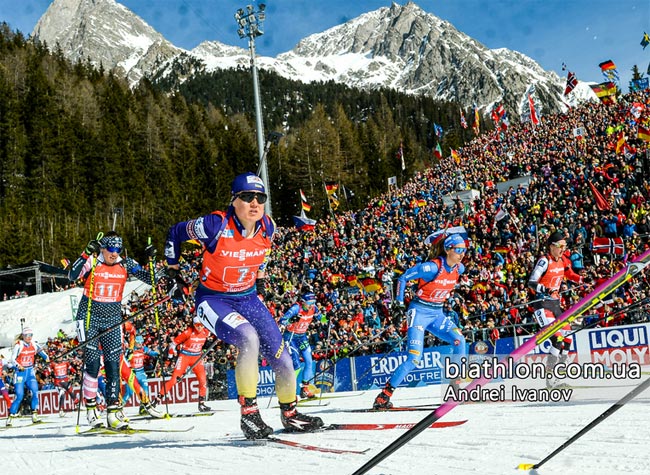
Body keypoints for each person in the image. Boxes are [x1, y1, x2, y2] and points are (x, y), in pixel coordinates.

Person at [164, 172, 323, 438]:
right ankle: (249, 415)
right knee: (248, 338)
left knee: (281, 354)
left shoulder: (268, 227)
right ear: (234, 200)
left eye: (260, 197)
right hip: (213, 299)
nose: (254, 203)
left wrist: (259, 279)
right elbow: (176, 232)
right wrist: (173, 269)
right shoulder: (214, 225)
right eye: (247, 197)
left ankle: (290, 414)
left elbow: (263, 255)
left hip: (247, 297)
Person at [68, 231, 157, 429]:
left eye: (117, 249)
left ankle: (113, 413)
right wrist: (84, 253)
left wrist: (151, 259)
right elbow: (71, 276)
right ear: (102, 248)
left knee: (113, 366)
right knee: (91, 365)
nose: (114, 253)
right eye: (110, 249)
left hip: (113, 320)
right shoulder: (93, 261)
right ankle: (91, 409)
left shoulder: (125, 263)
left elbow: (152, 279)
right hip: (89, 317)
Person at [373, 232, 468, 409]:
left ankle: (455, 388)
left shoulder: (459, 268)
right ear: (448, 250)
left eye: (464, 250)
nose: (462, 254)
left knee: (459, 340)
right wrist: (399, 303)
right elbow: (402, 278)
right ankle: (384, 396)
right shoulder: (432, 267)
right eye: (459, 250)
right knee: (414, 358)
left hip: (437, 314)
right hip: (419, 312)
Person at [528, 230, 585, 389]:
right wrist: (545, 290)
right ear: (552, 246)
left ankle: (559, 372)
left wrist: (582, 279)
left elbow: (571, 275)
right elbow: (531, 282)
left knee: (568, 338)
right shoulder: (544, 261)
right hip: (542, 305)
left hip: (555, 305)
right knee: (557, 339)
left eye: (564, 246)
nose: (563, 249)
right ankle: (550, 380)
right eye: (560, 246)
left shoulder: (563, 260)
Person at [157, 317, 212, 412]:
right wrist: (169, 358)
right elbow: (173, 344)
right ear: (194, 325)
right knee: (174, 380)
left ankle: (201, 404)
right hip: (185, 357)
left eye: (201, 325)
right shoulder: (188, 332)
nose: (200, 327)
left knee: (203, 380)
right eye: (197, 325)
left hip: (197, 358)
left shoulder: (205, 332)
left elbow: (214, 332)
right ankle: (157, 399)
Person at [278, 289, 322, 399]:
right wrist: (291, 320)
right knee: (296, 364)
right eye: (309, 303)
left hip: (302, 337)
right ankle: (289, 391)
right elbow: (282, 321)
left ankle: (305, 389)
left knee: (309, 361)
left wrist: (327, 318)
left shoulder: (314, 308)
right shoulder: (296, 308)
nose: (311, 306)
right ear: (303, 302)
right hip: (291, 337)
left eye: (313, 303)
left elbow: (322, 319)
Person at [6, 328, 50, 426]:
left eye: (31, 335)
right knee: (20, 396)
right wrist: (18, 366)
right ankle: (11, 416)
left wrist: (46, 358)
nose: (29, 337)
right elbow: (12, 359)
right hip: (20, 373)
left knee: (35, 391)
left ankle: (34, 415)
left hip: (30, 372)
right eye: (27, 335)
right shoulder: (19, 345)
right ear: (23, 336)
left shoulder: (34, 344)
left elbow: (43, 354)